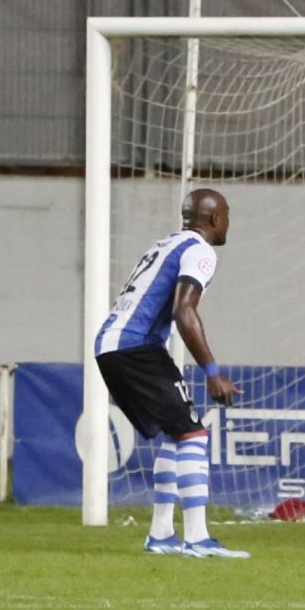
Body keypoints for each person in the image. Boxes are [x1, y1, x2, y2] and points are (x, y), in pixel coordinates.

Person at [93, 188, 243, 558]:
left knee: (178, 432)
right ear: (213, 219)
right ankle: (197, 537)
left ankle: (161, 534)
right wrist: (212, 371)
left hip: (111, 344)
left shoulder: (165, 244)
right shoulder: (200, 252)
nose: (227, 223)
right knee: (193, 432)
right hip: (136, 345)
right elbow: (184, 310)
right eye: (225, 215)